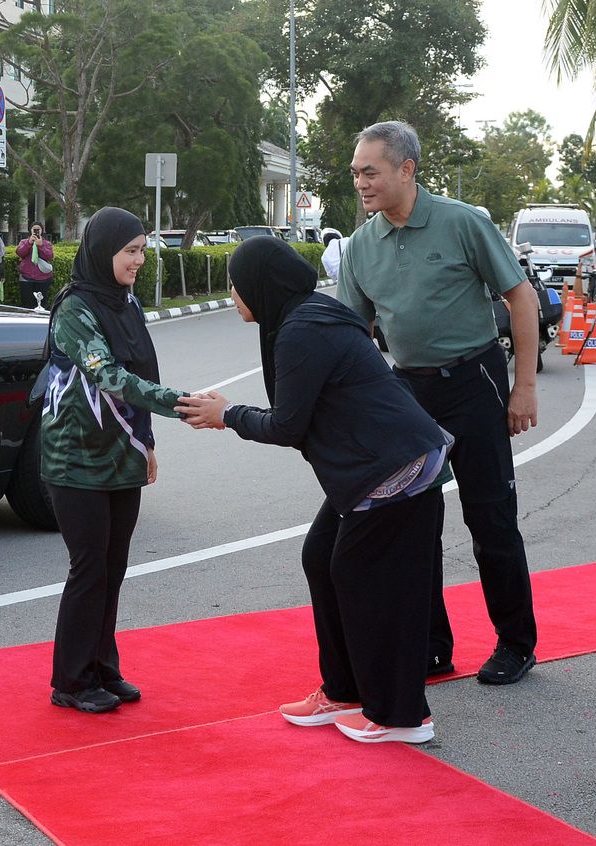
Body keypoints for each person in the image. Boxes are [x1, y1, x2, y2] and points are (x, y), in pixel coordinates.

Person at [178, 235, 451, 743]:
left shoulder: (301, 329)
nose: (235, 294)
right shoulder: (301, 318)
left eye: (237, 286)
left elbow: (288, 426)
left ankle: (401, 715)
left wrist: (227, 415)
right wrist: (230, 413)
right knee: (322, 556)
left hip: (396, 466)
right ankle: (345, 690)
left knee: (360, 574)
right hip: (371, 465)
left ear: (262, 285)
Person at [337, 120, 539, 685]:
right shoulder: (359, 247)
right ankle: (431, 647)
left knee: (491, 518)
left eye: (369, 171)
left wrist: (524, 386)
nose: (360, 182)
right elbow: (353, 333)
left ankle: (516, 643)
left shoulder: (463, 223)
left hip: (475, 381)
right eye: (355, 173)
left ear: (407, 169)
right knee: (411, 523)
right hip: (408, 392)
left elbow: (519, 296)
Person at [42, 206, 187, 714]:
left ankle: (103, 667)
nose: (139, 260)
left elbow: (143, 367)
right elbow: (110, 378)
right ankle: (71, 680)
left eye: (143, 250)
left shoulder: (127, 304)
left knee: (114, 566)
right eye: (131, 251)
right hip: (75, 458)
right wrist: (180, 404)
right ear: (104, 252)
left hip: (120, 452)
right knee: (90, 568)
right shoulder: (74, 311)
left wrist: (147, 442)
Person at [16, 221, 54, 309]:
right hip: (26, 278)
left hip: (43, 278)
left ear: (42, 231)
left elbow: (49, 256)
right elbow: (20, 253)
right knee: (27, 304)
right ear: (31, 230)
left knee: (40, 304)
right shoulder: (24, 241)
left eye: (38, 229)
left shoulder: (46, 243)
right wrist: (29, 243)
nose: (36, 231)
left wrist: (41, 246)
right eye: (34, 229)